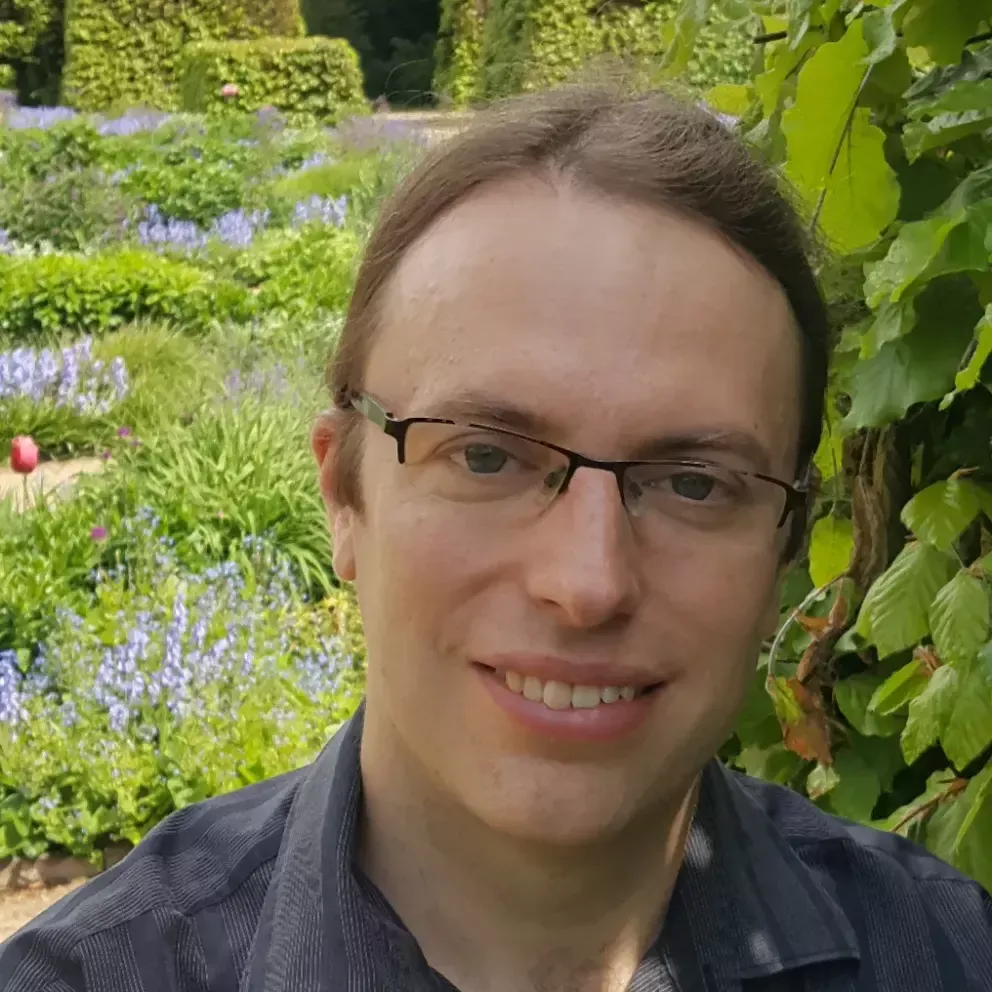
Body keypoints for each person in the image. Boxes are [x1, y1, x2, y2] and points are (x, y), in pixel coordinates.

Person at [2, 84, 990, 992]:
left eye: (694, 482)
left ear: (782, 547)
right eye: (484, 457)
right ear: (343, 494)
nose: (587, 582)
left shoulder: (948, 955)